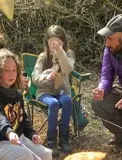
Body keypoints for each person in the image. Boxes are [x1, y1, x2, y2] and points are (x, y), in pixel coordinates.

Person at [0, 49, 52, 160]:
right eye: (6, 70)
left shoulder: (17, 94)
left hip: (18, 138)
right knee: (25, 156)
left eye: (14, 70)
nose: (11, 74)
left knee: (46, 155)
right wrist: (9, 132)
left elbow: (23, 118)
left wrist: (32, 134)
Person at [92, 14, 122, 145]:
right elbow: (106, 75)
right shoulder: (110, 49)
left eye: (110, 39)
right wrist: (101, 88)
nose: (106, 43)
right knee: (98, 102)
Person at [32, 25, 75, 157]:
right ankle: (51, 140)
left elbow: (68, 69)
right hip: (44, 92)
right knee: (53, 104)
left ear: (64, 43)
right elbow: (34, 77)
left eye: (58, 43)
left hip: (61, 91)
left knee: (67, 100)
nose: (54, 46)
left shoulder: (68, 54)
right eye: (52, 43)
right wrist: (45, 76)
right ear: (47, 43)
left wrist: (60, 52)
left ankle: (64, 137)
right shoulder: (43, 57)